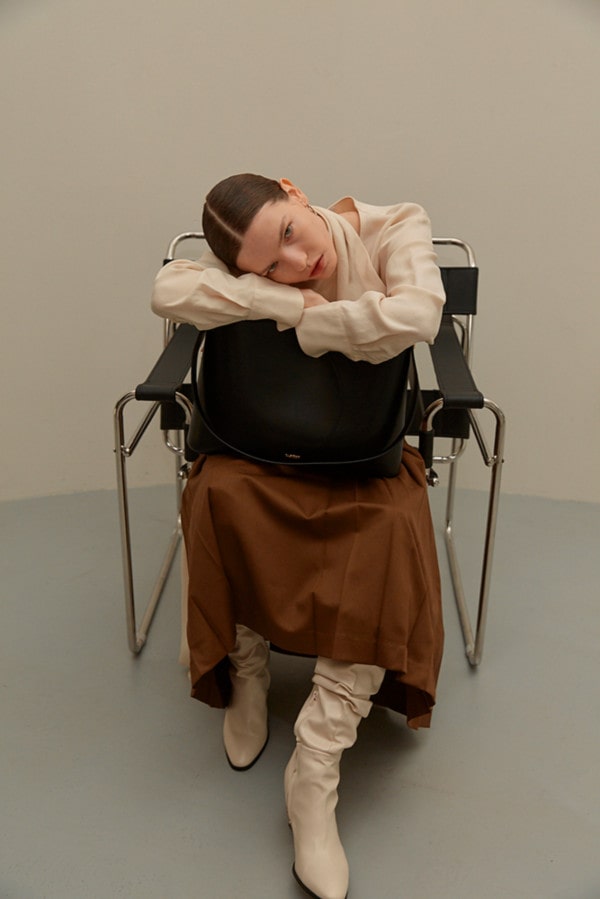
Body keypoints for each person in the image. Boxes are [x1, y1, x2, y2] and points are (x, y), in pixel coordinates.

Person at [151, 174, 446, 899]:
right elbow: (169, 289)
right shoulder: (262, 262)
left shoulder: (393, 225)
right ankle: (247, 668)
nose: (296, 260)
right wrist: (283, 301)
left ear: (294, 190)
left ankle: (314, 771)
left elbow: (419, 314)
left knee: (386, 530)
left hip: (364, 452)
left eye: (290, 231)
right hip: (262, 441)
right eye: (269, 265)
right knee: (215, 491)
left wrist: (311, 323)